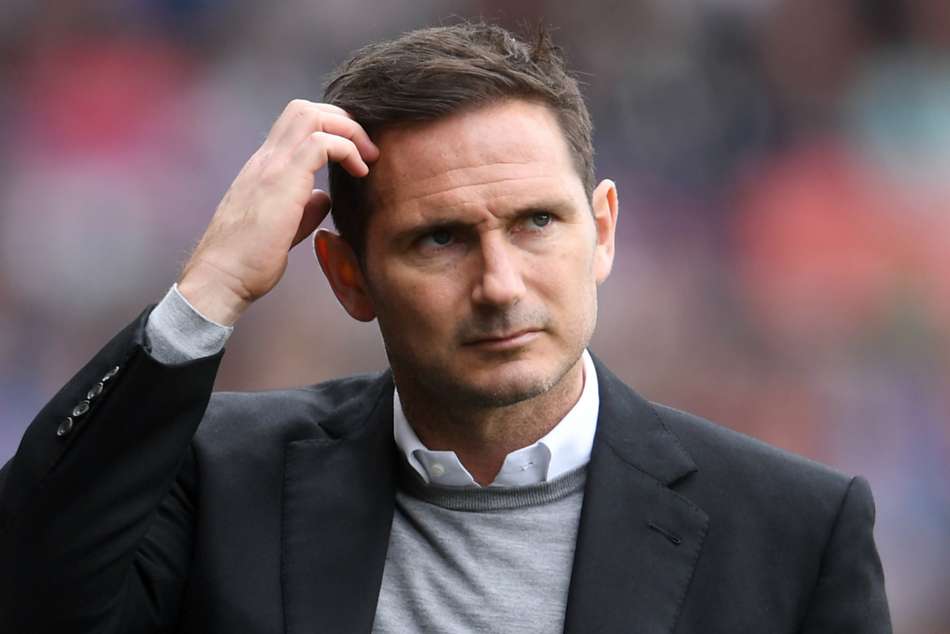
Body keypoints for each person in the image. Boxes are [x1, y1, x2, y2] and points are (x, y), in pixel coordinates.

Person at [0, 22, 891, 633]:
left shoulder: (793, 531)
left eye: (537, 223)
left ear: (603, 231)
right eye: (440, 239)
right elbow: (30, 595)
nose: (500, 285)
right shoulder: (217, 480)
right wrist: (211, 288)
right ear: (350, 277)